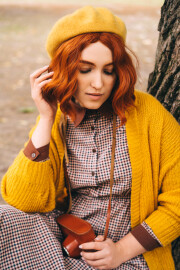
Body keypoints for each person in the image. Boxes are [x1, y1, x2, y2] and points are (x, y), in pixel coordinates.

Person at [0, 6, 179, 270]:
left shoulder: (149, 114)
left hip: (129, 253)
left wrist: (120, 250)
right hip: (65, 237)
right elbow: (25, 201)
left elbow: (177, 200)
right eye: (85, 69)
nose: (98, 83)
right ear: (64, 69)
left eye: (108, 70)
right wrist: (46, 118)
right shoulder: (58, 113)